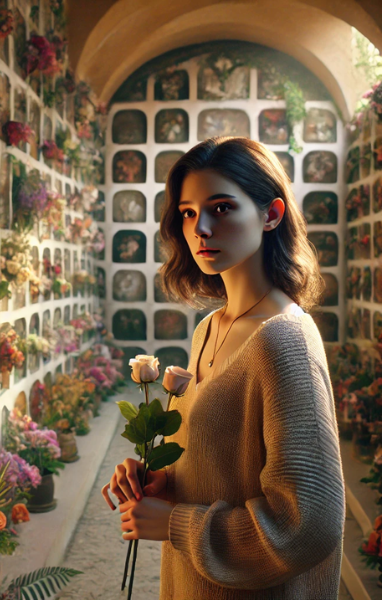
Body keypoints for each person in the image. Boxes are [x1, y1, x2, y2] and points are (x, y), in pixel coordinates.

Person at [102, 136, 345, 599]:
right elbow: (223, 467)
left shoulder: (284, 339)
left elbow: (310, 521)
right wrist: (163, 480)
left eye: (222, 208)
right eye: (189, 212)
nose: (201, 229)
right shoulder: (210, 327)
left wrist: (176, 523)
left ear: (270, 214)